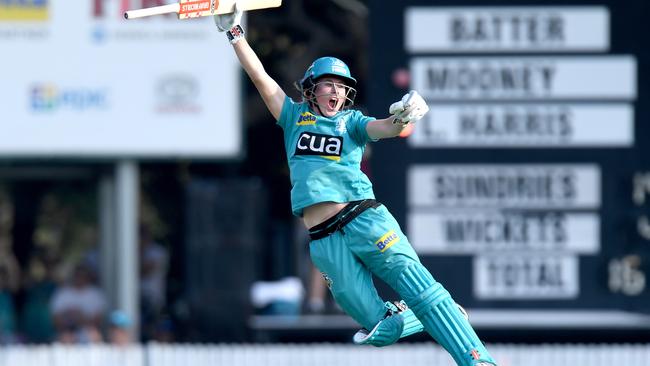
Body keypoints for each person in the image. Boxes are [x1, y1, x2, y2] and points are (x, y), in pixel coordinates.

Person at [214, 5, 497, 366]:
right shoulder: (292, 117)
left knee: (419, 289)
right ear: (312, 89)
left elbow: (387, 128)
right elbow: (261, 78)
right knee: (378, 330)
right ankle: (442, 308)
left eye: (342, 87)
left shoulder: (351, 122)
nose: (336, 91)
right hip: (323, 239)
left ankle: (477, 359)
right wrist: (235, 35)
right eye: (328, 84)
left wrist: (402, 117)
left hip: (363, 217)